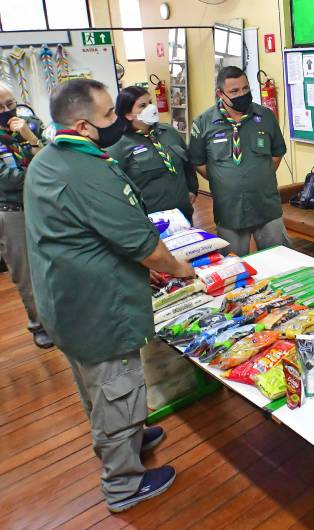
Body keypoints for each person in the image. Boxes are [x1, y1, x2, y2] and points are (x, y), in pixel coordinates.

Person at [25, 79, 196, 512]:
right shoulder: (88, 171)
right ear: (83, 126)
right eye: (108, 117)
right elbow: (144, 246)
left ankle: (126, 439)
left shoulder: (48, 159)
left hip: (64, 303)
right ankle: (123, 484)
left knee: (95, 386)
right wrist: (180, 269)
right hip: (99, 308)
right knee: (117, 388)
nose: (117, 122)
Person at [188, 66, 289, 257]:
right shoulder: (203, 122)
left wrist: (259, 175)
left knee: (280, 260)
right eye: (234, 91)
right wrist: (224, 179)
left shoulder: (265, 116)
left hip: (266, 205)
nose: (242, 94)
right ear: (220, 93)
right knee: (234, 268)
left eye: (245, 88)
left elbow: (277, 154)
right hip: (229, 209)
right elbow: (198, 162)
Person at [0, 82, 53, 348]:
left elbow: (52, 158)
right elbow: (8, 181)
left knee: (55, 262)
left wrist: (31, 139)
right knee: (26, 273)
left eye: (10, 104)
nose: (7, 111)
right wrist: (38, 170)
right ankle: (39, 325)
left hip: (44, 205)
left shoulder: (31, 124)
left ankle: (60, 316)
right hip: (12, 211)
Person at [108, 86, 198, 223]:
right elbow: (113, 186)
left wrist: (193, 189)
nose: (151, 108)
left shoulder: (169, 132)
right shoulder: (118, 144)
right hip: (151, 219)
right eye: (143, 105)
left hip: (183, 213)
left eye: (150, 102)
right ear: (128, 114)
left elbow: (187, 164)